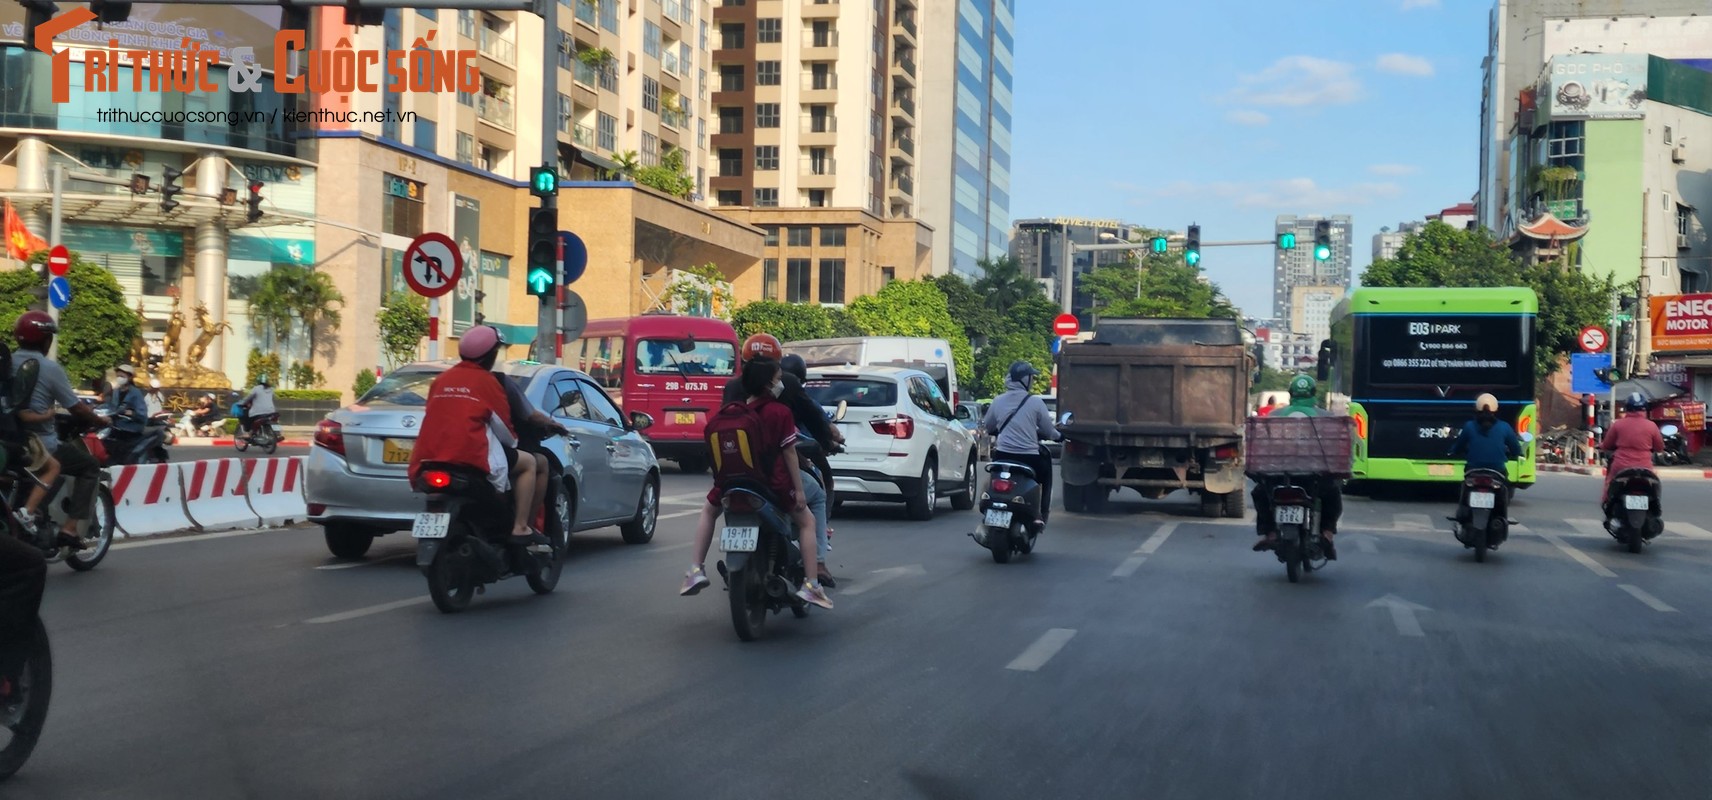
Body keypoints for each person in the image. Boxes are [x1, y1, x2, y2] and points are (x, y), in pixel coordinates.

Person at [680, 357, 831, 610]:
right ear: (768, 383)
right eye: (777, 377)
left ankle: (695, 569)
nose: (780, 382)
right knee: (807, 521)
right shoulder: (779, 412)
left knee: (708, 510)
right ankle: (813, 585)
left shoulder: (732, 413)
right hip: (773, 484)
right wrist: (800, 492)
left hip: (734, 483)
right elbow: (790, 454)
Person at [407, 325, 546, 548]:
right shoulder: (488, 382)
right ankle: (521, 527)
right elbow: (506, 433)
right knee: (531, 463)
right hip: (470, 456)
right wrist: (514, 442)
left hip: (429, 456)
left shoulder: (441, 380)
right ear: (491, 355)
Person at [721, 335, 842, 586]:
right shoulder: (782, 400)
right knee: (814, 497)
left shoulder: (732, 389)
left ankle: (697, 568)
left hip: (734, 476)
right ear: (773, 373)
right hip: (772, 478)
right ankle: (816, 567)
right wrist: (798, 488)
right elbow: (798, 436)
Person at [11, 311, 110, 549]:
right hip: (39, 442)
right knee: (89, 466)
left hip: (10, 439)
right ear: (46, 340)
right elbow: (76, 407)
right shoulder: (48, 368)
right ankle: (69, 528)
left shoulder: (9, 362)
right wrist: (98, 420)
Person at [1251, 375, 1345, 559]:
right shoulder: (1327, 418)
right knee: (1333, 492)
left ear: (1291, 393)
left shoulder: (1274, 416)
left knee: (1259, 492)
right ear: (1313, 393)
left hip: (1280, 477)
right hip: (1314, 479)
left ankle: (1270, 533)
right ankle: (1327, 533)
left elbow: (1263, 445)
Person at [492, 362, 569, 530]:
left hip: (439, 453)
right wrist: (553, 424)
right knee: (535, 462)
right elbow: (522, 419)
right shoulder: (495, 382)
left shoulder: (446, 381)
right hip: (481, 451)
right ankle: (523, 526)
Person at [983, 361, 1060, 531]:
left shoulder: (998, 401)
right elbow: (1049, 431)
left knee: (992, 478)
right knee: (1044, 478)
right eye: (1031, 377)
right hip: (1029, 458)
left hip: (1002, 456)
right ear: (1025, 380)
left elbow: (988, 427)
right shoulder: (1036, 403)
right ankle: (1039, 513)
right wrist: (1059, 436)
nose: (1032, 380)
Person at [1447, 393, 1522, 526]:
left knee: (1465, 487)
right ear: (1496, 410)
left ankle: (1462, 514)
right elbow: (1515, 448)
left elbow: (1458, 446)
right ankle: (1502, 517)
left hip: (1473, 469)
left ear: (1476, 410)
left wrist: (1453, 451)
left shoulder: (1469, 426)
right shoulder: (1504, 427)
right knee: (1505, 488)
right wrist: (1516, 453)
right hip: (1497, 470)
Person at [1599, 392, 1664, 513]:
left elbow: (1607, 445)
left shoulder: (1618, 424)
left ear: (1627, 409)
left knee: (1610, 481)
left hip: (1621, 465)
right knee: (1654, 483)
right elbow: (1659, 447)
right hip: (1645, 465)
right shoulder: (1651, 426)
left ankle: (1607, 503)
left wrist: (1601, 446)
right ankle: (1656, 503)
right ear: (1644, 409)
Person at [108, 364, 150, 443]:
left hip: (131, 429)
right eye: (118, 376)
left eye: (122, 376)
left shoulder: (135, 393)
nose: (119, 378)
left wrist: (132, 413)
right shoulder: (116, 391)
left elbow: (142, 415)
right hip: (116, 427)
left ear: (130, 377)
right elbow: (112, 408)